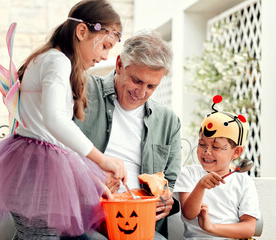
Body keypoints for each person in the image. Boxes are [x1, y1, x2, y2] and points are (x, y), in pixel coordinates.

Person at [0, 0, 127, 239]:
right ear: (82, 31)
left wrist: (93, 181)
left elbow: (52, 133)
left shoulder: (49, 59)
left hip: (31, 168)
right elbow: (55, 120)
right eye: (105, 46)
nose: (105, 56)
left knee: (33, 235)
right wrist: (102, 159)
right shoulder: (57, 61)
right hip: (35, 172)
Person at [74, 31, 182, 239]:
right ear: (120, 65)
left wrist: (169, 200)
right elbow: (52, 153)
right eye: (136, 81)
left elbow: (172, 183)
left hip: (139, 223)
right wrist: (91, 176)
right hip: (85, 219)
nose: (141, 93)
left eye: (151, 86)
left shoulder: (169, 121)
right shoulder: (83, 91)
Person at [174, 95, 261, 239]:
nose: (207, 151)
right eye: (202, 144)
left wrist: (211, 227)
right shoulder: (189, 173)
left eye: (216, 147)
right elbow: (189, 214)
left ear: (237, 152)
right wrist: (200, 186)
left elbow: (248, 228)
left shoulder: (243, 181)